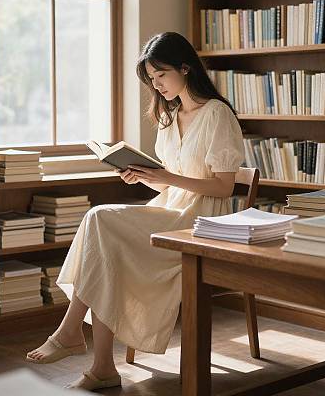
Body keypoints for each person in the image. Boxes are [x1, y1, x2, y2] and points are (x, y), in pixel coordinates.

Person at [25, 32, 245, 391]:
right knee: (105, 246)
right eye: (151, 80)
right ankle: (101, 367)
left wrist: (167, 176)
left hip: (200, 222)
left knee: (100, 219)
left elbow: (223, 187)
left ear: (185, 68)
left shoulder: (217, 114)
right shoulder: (170, 117)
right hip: (169, 209)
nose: (157, 86)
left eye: (161, 76)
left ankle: (71, 336)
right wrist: (142, 177)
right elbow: (168, 186)